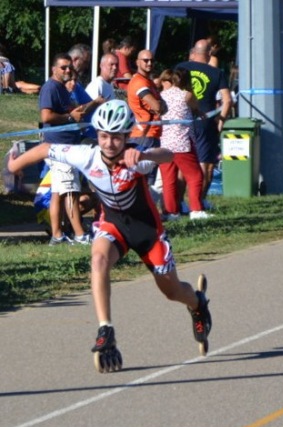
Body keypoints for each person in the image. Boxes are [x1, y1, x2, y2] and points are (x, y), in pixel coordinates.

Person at [7, 100, 213, 371]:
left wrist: (146, 155)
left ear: (127, 136)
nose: (109, 143)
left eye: (116, 137)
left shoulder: (135, 158)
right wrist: (15, 166)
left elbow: (167, 155)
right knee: (98, 260)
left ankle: (197, 303)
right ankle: (106, 329)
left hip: (147, 231)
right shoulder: (87, 156)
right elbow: (46, 148)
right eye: (104, 136)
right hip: (113, 225)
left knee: (172, 291)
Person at [38, 53, 91, 245]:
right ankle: (80, 235)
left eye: (70, 67)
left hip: (66, 145)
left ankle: (57, 235)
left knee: (58, 193)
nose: (68, 70)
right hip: (59, 147)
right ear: (54, 69)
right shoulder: (50, 87)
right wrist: (70, 118)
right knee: (70, 191)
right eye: (63, 67)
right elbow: (46, 116)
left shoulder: (62, 88)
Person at [176, 39, 233, 208]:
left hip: (181, 120)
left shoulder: (180, 67)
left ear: (194, 53)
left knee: (182, 164)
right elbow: (228, 100)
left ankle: (179, 203)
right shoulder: (216, 73)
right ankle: (198, 202)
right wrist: (221, 121)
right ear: (209, 54)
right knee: (206, 165)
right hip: (205, 121)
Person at [158, 68, 210, 221]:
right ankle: (196, 209)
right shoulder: (187, 95)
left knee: (168, 180)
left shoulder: (162, 95)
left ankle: (171, 212)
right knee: (195, 176)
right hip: (182, 142)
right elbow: (195, 107)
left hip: (165, 143)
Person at [127, 49, 166, 151]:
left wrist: (159, 105)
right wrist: (159, 105)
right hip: (143, 135)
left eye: (152, 60)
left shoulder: (149, 82)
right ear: (137, 62)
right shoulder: (139, 82)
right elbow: (157, 106)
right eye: (146, 60)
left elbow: (165, 107)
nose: (149, 63)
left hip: (151, 134)